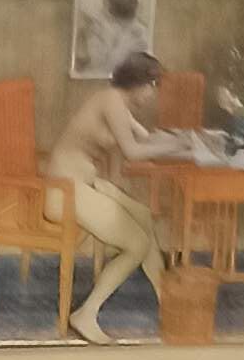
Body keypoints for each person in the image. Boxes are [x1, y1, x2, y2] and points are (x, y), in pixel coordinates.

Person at [48, 48, 174, 342]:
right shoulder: (111, 102)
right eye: (152, 86)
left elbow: (149, 139)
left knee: (143, 216)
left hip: (83, 185)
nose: (154, 94)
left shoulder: (118, 103)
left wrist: (187, 142)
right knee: (137, 244)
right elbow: (133, 151)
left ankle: (166, 303)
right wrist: (171, 147)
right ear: (137, 83)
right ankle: (86, 313)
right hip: (64, 192)